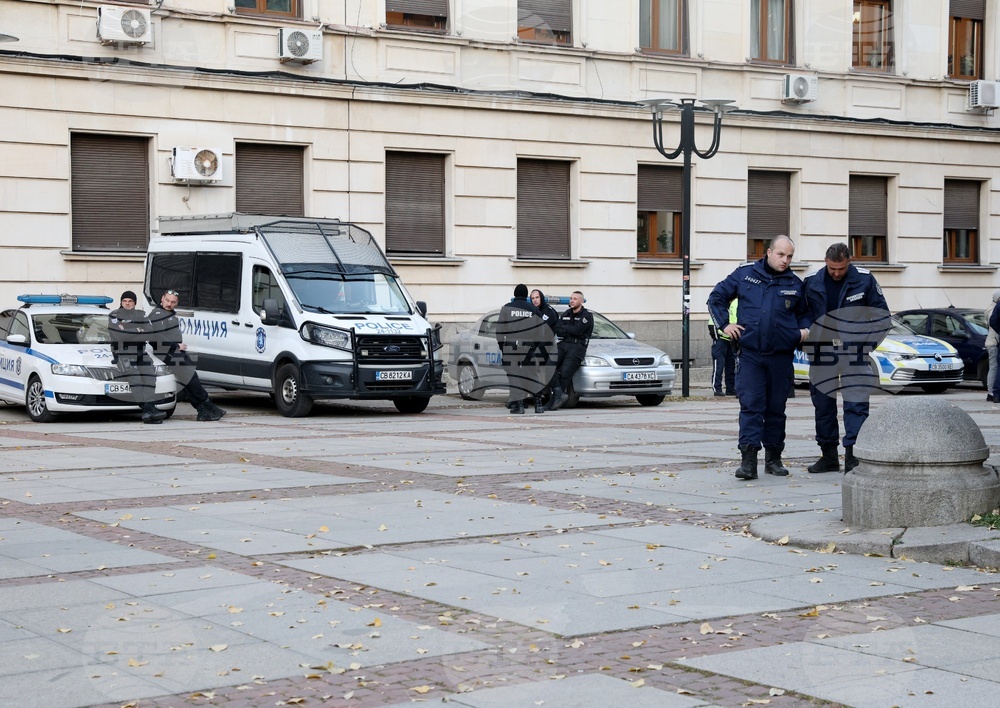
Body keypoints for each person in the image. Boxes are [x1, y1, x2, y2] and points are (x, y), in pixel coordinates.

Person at [707, 236, 812, 480]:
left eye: (789, 256)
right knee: (751, 406)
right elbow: (716, 297)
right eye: (781, 255)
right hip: (751, 354)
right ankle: (748, 461)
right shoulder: (745, 274)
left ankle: (774, 459)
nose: (785, 260)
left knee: (776, 409)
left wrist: (803, 331)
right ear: (768, 252)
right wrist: (725, 324)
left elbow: (805, 314)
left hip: (780, 356)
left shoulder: (795, 283)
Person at [802, 243, 890, 473]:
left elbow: (882, 317)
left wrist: (867, 345)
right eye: (832, 268)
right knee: (822, 406)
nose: (837, 273)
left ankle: (854, 457)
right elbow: (802, 314)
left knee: (857, 405)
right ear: (825, 262)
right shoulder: (811, 281)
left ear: (849, 261)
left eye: (841, 268)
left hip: (854, 352)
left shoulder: (865, 279)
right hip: (822, 352)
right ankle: (828, 456)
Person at [147, 290, 227, 421]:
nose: (169, 304)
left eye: (173, 302)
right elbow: (155, 337)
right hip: (168, 353)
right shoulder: (157, 314)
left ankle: (204, 409)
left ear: (177, 303)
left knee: (189, 379)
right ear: (162, 298)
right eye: (167, 300)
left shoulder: (168, 313)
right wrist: (176, 346)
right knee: (190, 377)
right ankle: (206, 405)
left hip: (175, 352)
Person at [108, 290, 165, 424]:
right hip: (124, 353)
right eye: (125, 301)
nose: (127, 304)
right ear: (121, 302)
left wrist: (128, 330)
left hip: (141, 352)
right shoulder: (114, 315)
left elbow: (150, 333)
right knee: (136, 381)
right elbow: (119, 335)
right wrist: (138, 330)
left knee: (150, 377)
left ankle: (149, 408)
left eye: (130, 301)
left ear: (134, 303)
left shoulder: (141, 314)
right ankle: (148, 410)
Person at [496, 284, 551, 414]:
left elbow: (499, 332)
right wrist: (534, 346)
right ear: (526, 295)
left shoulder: (506, 309)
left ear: (515, 294)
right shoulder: (533, 309)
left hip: (511, 347)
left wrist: (503, 348)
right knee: (532, 375)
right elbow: (541, 331)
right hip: (529, 347)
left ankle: (519, 406)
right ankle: (538, 405)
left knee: (514, 376)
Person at [545, 291, 594, 412]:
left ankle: (554, 400)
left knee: (565, 374)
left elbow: (578, 331)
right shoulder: (566, 313)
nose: (572, 301)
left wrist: (566, 328)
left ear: (581, 301)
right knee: (547, 366)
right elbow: (558, 330)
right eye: (571, 298)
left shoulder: (586, 316)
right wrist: (568, 329)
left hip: (577, 347)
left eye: (575, 299)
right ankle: (558, 393)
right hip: (563, 344)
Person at [530, 289, 560, 408]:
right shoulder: (534, 311)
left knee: (547, 372)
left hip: (547, 347)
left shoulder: (548, 312)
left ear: (541, 298)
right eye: (532, 298)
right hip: (538, 347)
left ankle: (553, 395)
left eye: (537, 297)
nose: (535, 300)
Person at [709, 299, 738, 397]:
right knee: (719, 365)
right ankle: (717, 388)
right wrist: (718, 337)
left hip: (731, 340)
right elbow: (712, 326)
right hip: (720, 340)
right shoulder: (718, 307)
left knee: (731, 366)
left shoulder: (732, 305)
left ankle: (730, 388)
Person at [986, 290, 1000, 402]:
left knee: (995, 367)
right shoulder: (993, 310)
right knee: (995, 367)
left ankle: (992, 392)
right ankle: (991, 392)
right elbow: (993, 322)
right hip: (994, 342)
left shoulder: (992, 308)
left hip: (993, 341)